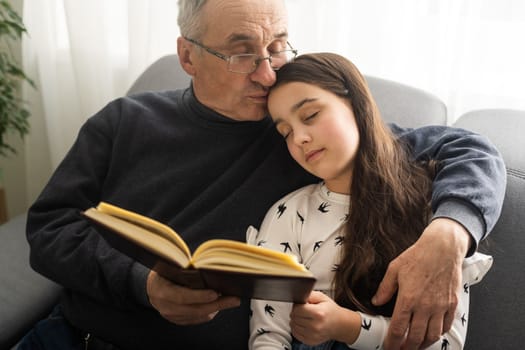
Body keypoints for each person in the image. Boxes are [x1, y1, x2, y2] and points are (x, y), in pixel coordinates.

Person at [20, 0, 505, 349]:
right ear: (188, 56)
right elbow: (49, 227)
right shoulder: (124, 120)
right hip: (76, 336)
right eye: (242, 53)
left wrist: (450, 233)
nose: (269, 73)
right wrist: (140, 285)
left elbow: (471, 149)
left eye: (277, 46)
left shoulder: (304, 137)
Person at [248, 52, 494, 350]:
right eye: (285, 132)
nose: (299, 137)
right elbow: (268, 337)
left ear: (356, 105)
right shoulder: (287, 214)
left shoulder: (434, 210)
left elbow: (446, 344)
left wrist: (347, 327)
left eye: (311, 115)